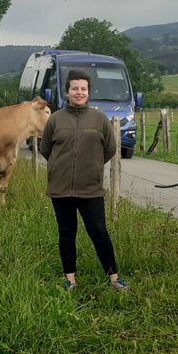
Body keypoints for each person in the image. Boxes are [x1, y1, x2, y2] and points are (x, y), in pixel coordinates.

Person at [39, 69, 129, 291]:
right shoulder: (55, 120)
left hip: (91, 188)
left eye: (83, 89)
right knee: (67, 233)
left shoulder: (99, 119)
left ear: (89, 92)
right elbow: (46, 149)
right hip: (61, 189)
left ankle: (114, 278)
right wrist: (62, 167)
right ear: (67, 91)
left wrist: (93, 166)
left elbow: (109, 148)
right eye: (74, 88)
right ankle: (70, 279)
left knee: (99, 231)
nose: (79, 92)